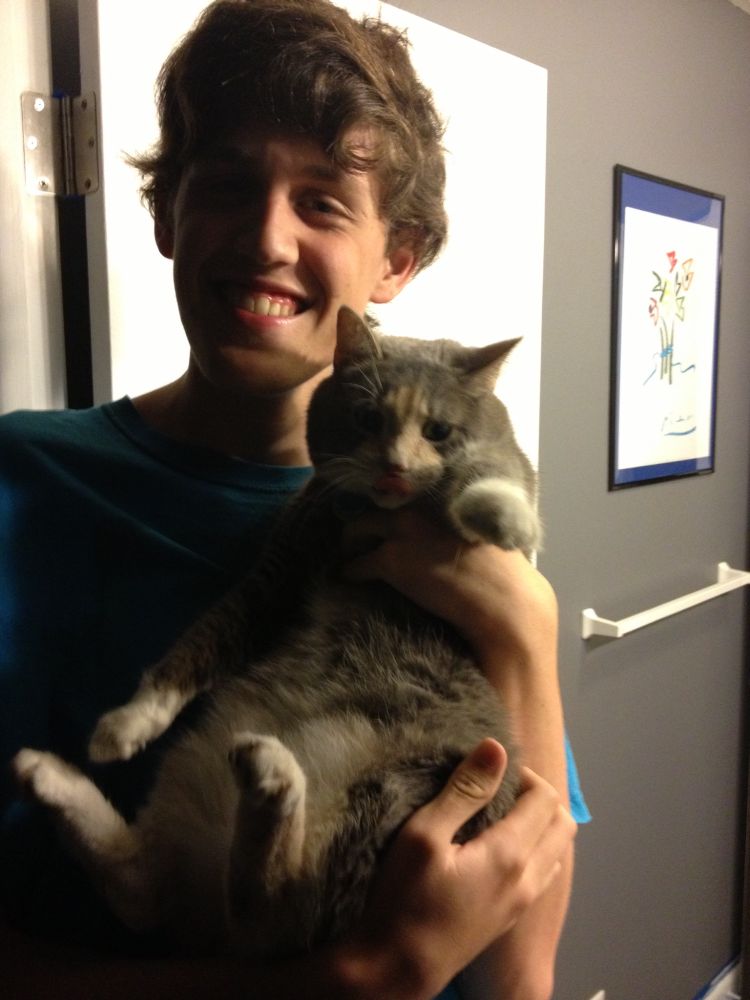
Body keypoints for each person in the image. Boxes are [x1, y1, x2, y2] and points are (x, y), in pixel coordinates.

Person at [0, 1, 586, 997]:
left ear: (397, 259)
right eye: (229, 184)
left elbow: (522, 974)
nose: (268, 237)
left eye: (323, 202)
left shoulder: (450, 531)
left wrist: (528, 631)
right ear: (166, 214)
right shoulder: (22, 483)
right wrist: (344, 982)